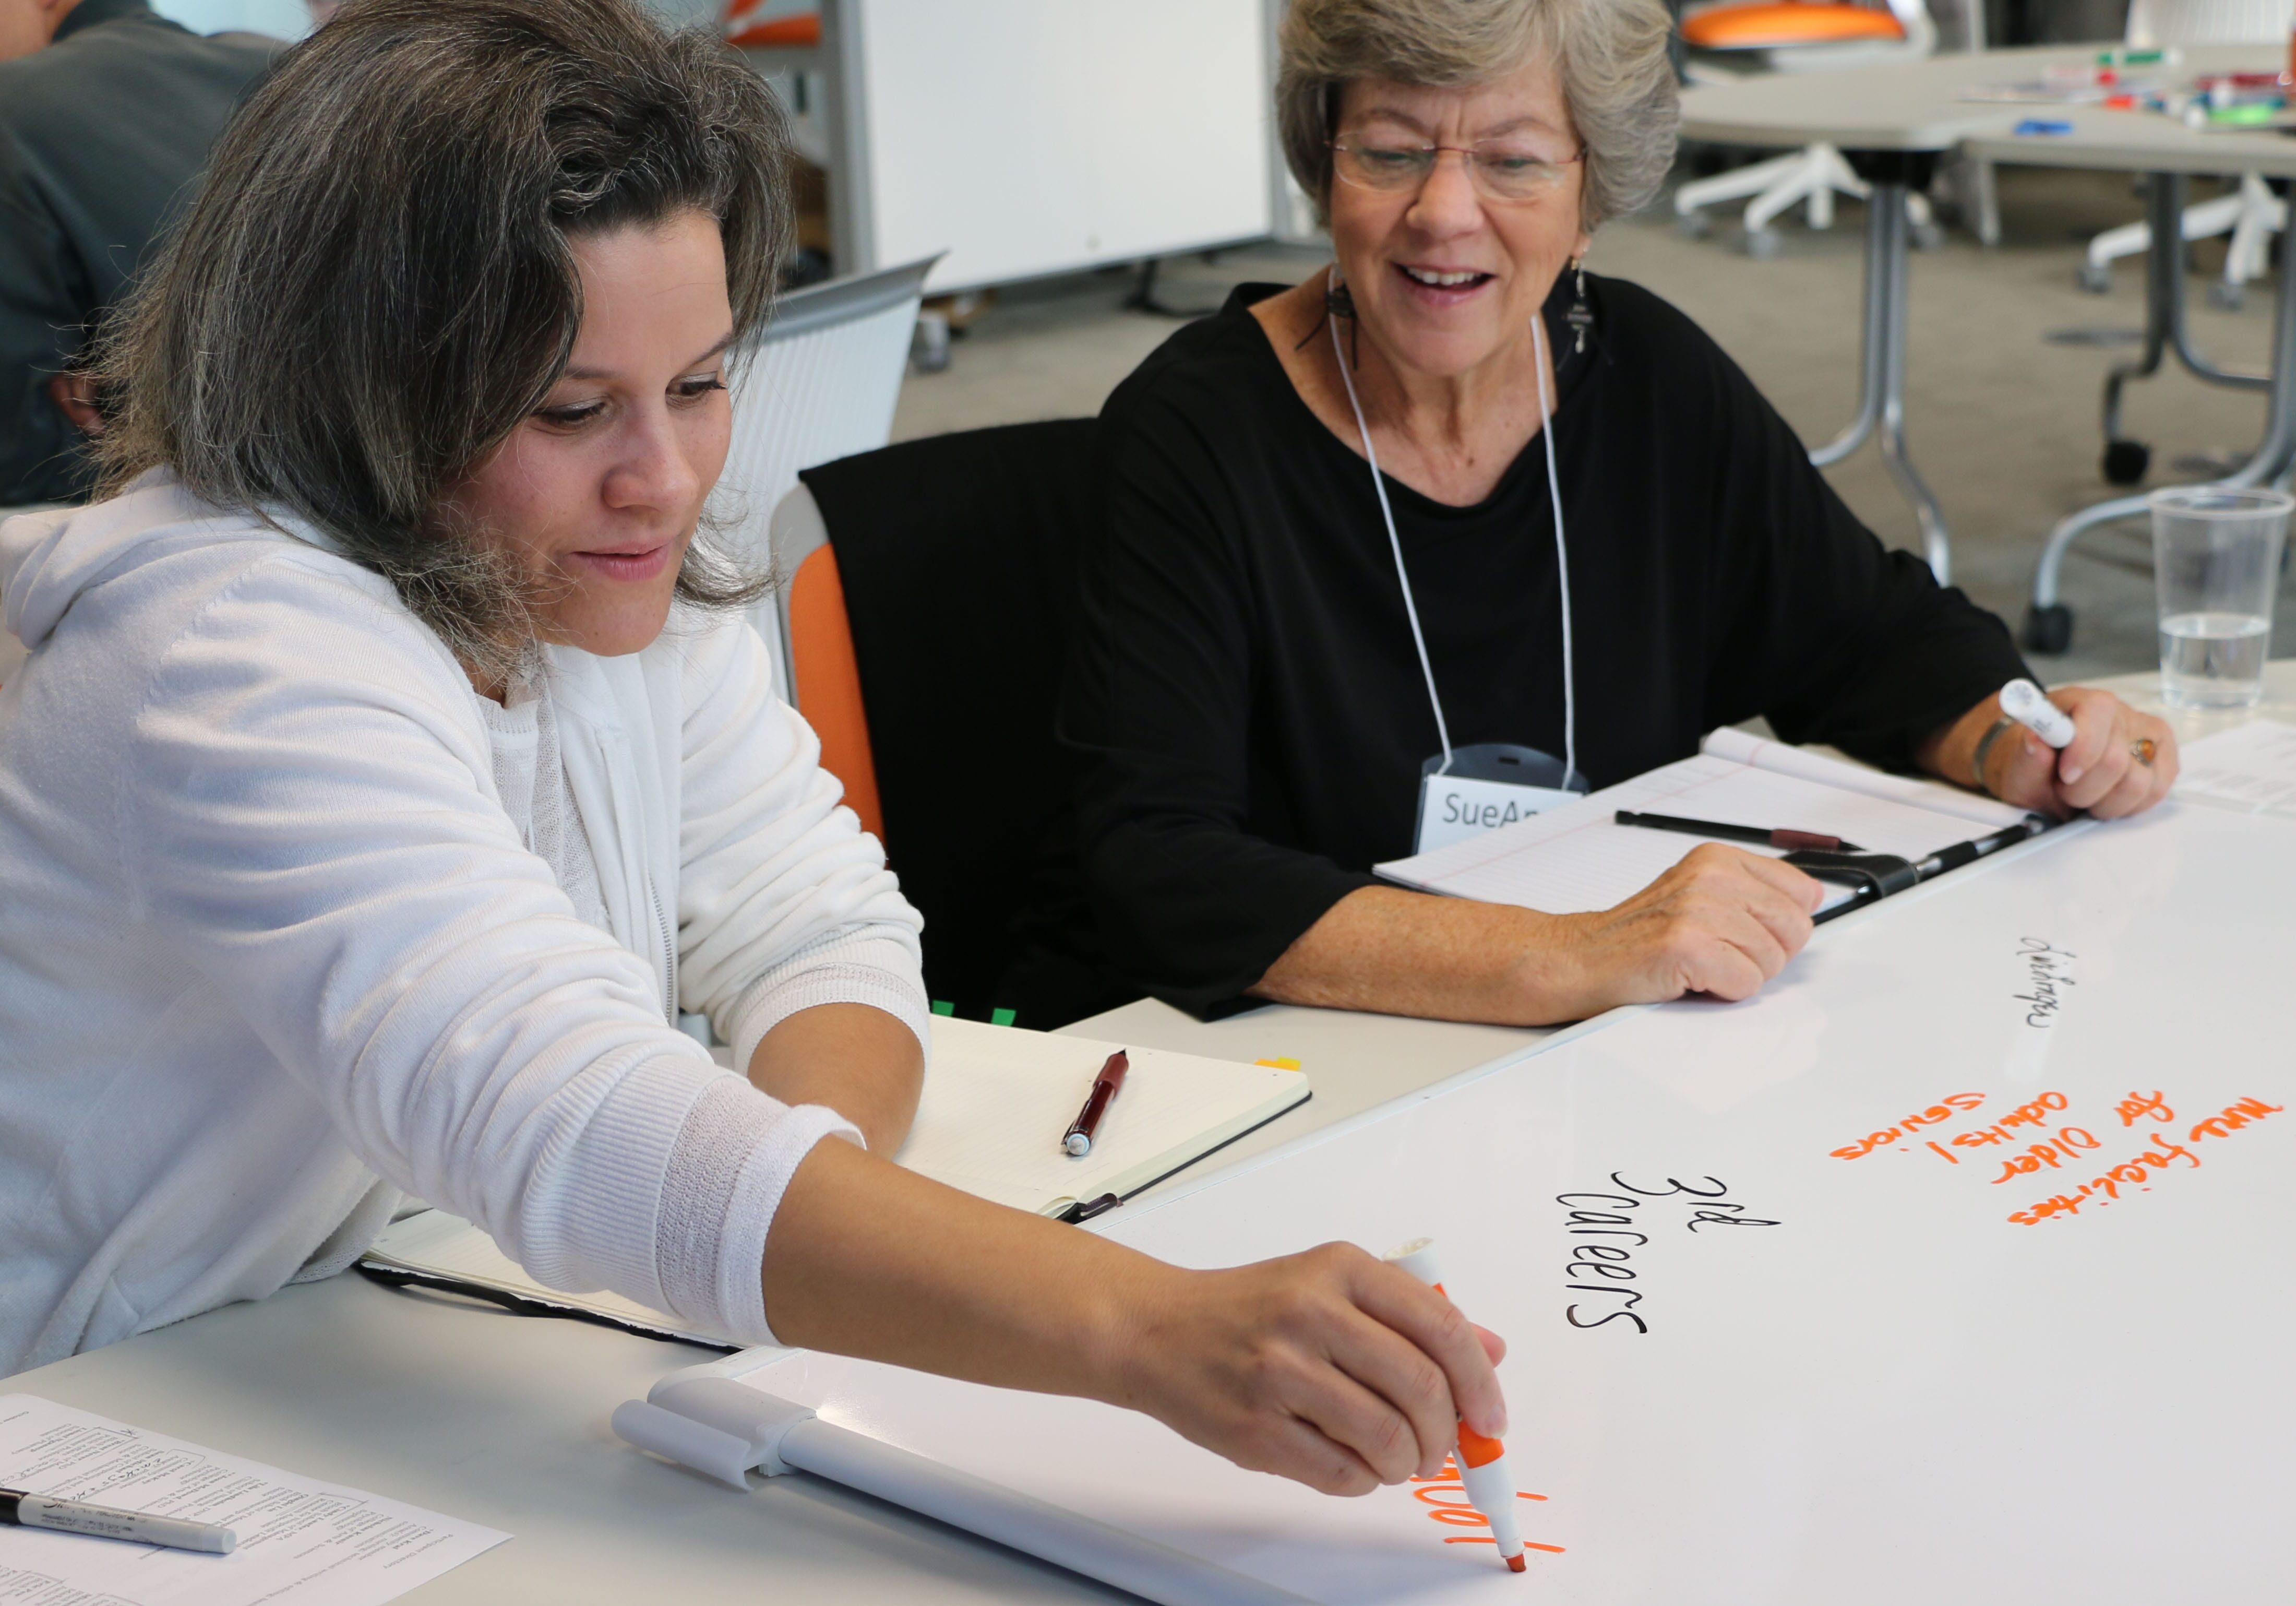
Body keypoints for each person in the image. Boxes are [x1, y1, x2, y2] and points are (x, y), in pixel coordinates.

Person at [0, 0, 1506, 1502]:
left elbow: (814, 921)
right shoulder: (234, 651)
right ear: (356, 394)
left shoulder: (581, 564)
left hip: (320, 1344)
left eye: (699, 384)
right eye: (570, 409)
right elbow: (563, 1106)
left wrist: (804, 1206)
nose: (663, 480)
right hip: (79, 1422)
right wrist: (1150, 1329)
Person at [1058, 0, 2180, 1027]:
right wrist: (1562, 957)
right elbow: (1158, 861)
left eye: (1514, 161)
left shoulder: (1646, 374)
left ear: (1590, 199)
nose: (1443, 213)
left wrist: (2016, 743)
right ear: (1323, 165)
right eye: (1391, 152)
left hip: (1610, 1055)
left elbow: (1870, 638)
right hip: (1294, 1061)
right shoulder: (1195, 432)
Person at [0, 0, 275, 506]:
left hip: (187, 516)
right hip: (391, 494)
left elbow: (20, 453)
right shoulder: (289, 65)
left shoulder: (14, 110)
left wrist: (116, 411)